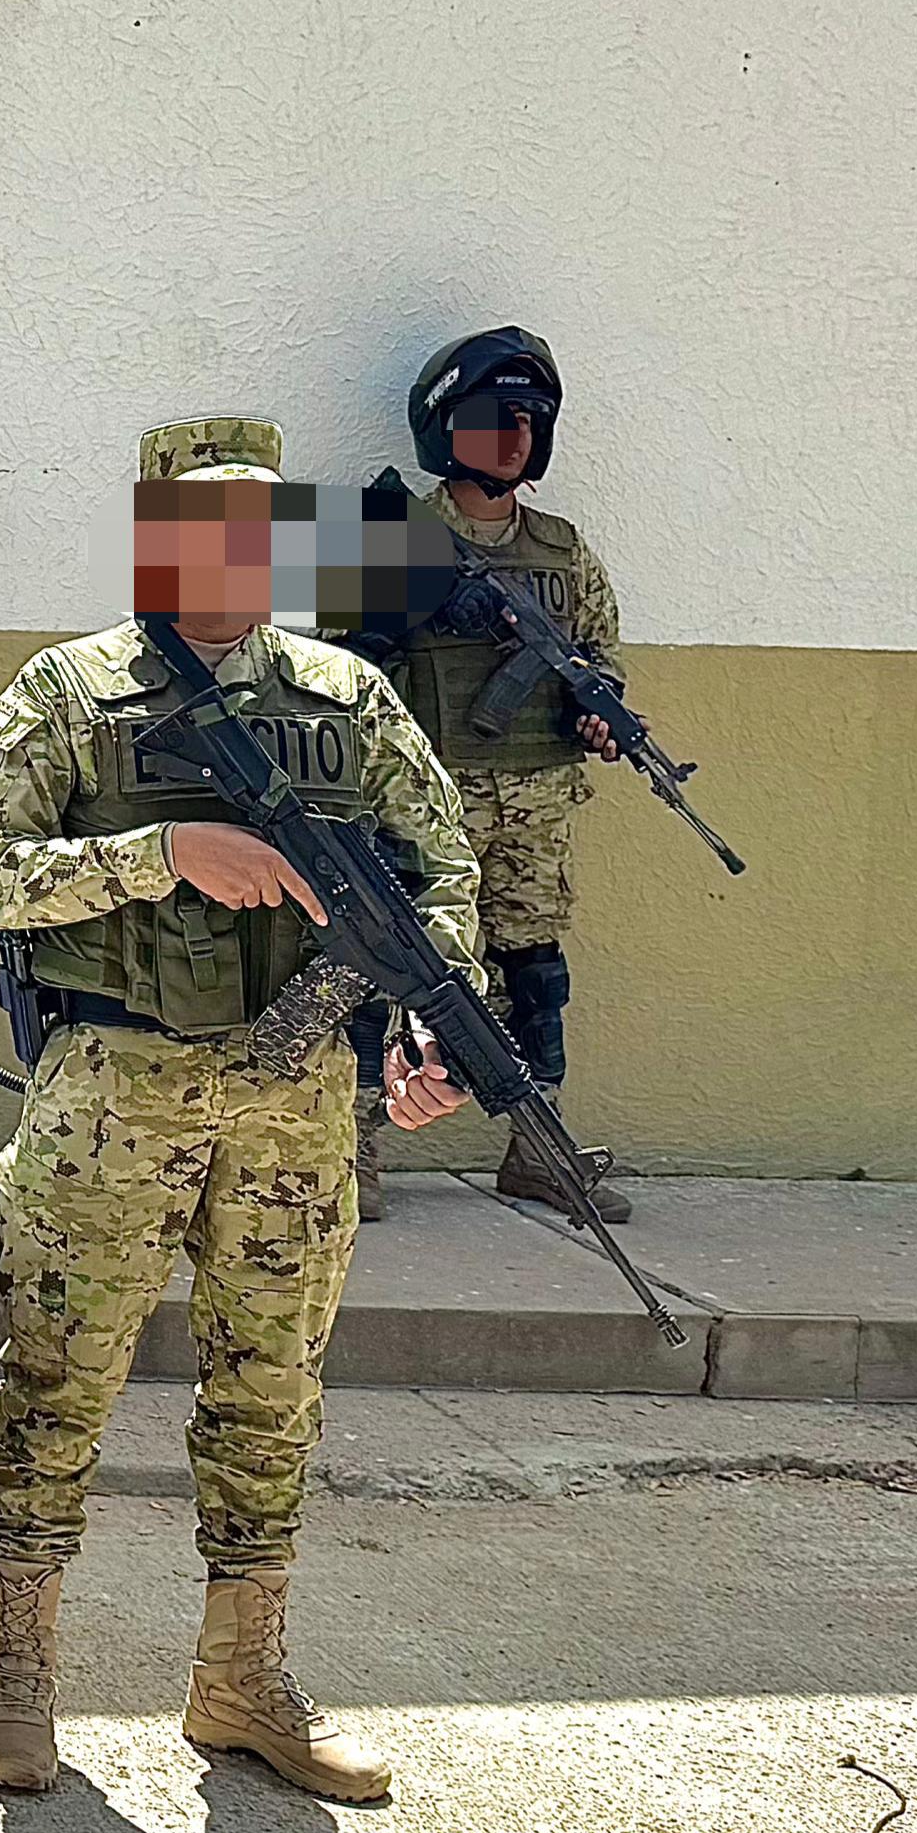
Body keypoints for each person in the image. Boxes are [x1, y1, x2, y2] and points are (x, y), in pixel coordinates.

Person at [0, 417, 484, 1806]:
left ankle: (243, 1679)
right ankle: (18, 1680)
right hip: (110, 1091)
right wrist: (166, 851)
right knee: (55, 1382)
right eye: (198, 529)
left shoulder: (345, 698)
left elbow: (443, 874)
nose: (228, 556)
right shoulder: (70, 694)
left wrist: (429, 1020)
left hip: (294, 1102)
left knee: (274, 1391)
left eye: (257, 531)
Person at [340, 328, 635, 1225]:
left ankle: (539, 1148)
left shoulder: (563, 549)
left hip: (535, 807)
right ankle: (350, 1149)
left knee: (532, 971)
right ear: (443, 431)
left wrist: (602, 712)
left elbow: (599, 654)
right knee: (382, 960)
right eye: (487, 421)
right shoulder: (389, 535)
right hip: (419, 799)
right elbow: (339, 671)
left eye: (525, 423)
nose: (509, 439)